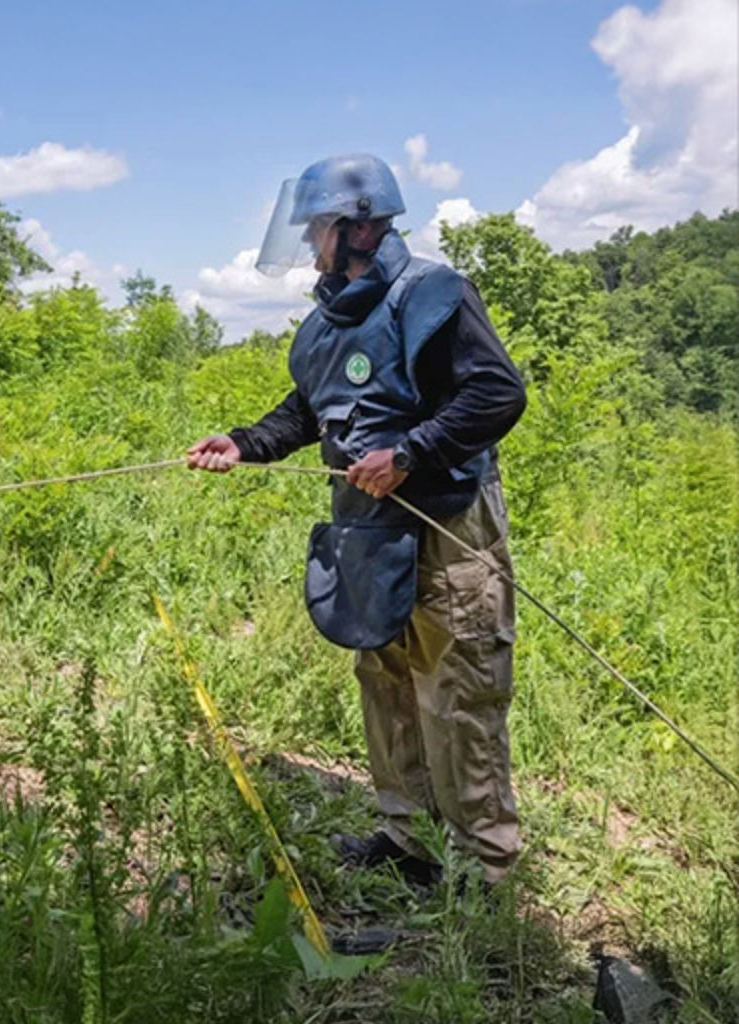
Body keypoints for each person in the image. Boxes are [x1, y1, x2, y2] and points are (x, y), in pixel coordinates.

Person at [188, 154, 527, 886]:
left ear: (363, 226)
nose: (311, 244)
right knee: (386, 672)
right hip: (368, 531)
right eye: (308, 230)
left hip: (446, 522)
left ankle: (483, 868)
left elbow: (497, 395)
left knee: (457, 684)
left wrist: (410, 453)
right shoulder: (327, 320)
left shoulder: (432, 293)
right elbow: (308, 411)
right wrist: (244, 445)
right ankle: (409, 838)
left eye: (321, 229)